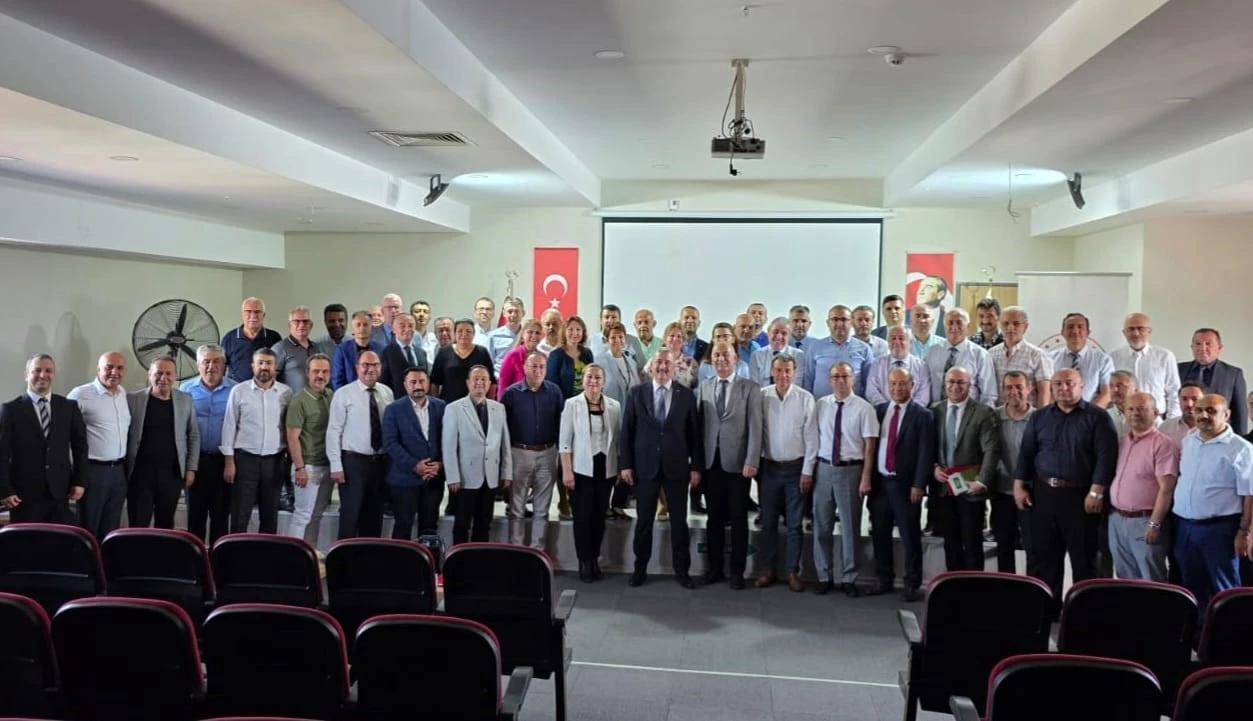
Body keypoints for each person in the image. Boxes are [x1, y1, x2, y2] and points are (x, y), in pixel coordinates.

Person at [1014, 368, 1119, 613]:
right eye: (1058, 384)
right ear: (1052, 387)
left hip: (1081, 497)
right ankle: (1047, 612)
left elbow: (1106, 457)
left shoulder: (1098, 417)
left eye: (1069, 383)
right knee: (1045, 558)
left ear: (1082, 386)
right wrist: (1019, 484)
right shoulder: (1040, 417)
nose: (1063, 388)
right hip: (1044, 494)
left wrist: (1097, 491)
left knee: (1084, 559)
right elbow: (1027, 452)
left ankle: (1082, 615)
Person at [619, 349, 703, 588]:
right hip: (644, 468)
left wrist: (696, 467)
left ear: (674, 367)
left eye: (667, 363)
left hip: (677, 468)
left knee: (679, 522)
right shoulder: (636, 393)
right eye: (658, 362)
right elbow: (627, 432)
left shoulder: (686, 395)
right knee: (644, 522)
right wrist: (626, 465)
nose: (663, 367)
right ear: (650, 366)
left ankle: (682, 571)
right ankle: (639, 569)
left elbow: (695, 435)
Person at [1172, 394, 1253, 616]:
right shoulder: (1189, 440)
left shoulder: (1241, 449)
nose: (1203, 415)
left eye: (1211, 411)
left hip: (1220, 530)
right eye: (1199, 410)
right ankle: (1201, 634)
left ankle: (1231, 635)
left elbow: (1250, 495)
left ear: (1226, 415)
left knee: (1225, 590)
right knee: (1192, 588)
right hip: (1185, 527)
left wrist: (1244, 532)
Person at [697, 342, 763, 589]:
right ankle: (714, 569)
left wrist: (752, 460)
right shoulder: (704, 386)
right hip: (711, 463)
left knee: (738, 518)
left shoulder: (750, 388)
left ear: (736, 358)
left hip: (738, 464)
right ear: (711, 359)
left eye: (726, 354)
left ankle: (737, 572)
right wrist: (697, 464)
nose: (721, 359)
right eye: (717, 354)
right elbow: (700, 427)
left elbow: (756, 428)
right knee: (713, 518)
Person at [809, 362, 877, 596]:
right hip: (824, 469)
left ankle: (849, 577)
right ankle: (823, 575)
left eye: (845, 376)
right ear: (829, 380)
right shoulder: (821, 405)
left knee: (849, 527)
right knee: (822, 525)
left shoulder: (864, 408)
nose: (840, 380)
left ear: (853, 379)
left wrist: (866, 477)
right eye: (836, 376)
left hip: (851, 470)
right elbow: (813, 439)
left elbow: (870, 447)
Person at [869, 368, 935, 601]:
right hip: (880, 484)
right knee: (880, 534)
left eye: (902, 383)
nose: (897, 388)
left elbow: (926, 454)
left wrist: (919, 485)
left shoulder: (923, 415)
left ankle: (911, 583)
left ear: (912, 385)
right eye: (893, 383)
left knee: (910, 536)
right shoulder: (878, 412)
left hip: (906, 486)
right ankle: (883, 578)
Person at [0, 354, 88, 523]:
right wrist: (5, 490)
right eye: (37, 370)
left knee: (59, 538)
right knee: (27, 539)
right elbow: (2, 454)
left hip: (61, 492)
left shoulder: (68, 407)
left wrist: (80, 481)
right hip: (23, 495)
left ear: (54, 375)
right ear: (26, 375)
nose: (43, 375)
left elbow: (80, 446)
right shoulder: (10, 410)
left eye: (48, 371)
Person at [930, 367, 1000, 571]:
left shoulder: (983, 412)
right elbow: (930, 445)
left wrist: (981, 482)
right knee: (950, 542)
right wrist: (934, 467)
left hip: (970, 487)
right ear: (945, 384)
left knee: (972, 543)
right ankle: (953, 584)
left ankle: (973, 586)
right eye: (951, 382)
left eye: (961, 382)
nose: (955, 386)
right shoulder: (936, 410)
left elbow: (991, 450)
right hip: (944, 488)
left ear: (970, 385)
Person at [756, 355, 816, 591]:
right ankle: (768, 570)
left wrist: (807, 471)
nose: (783, 375)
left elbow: (812, 438)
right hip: (769, 469)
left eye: (787, 371)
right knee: (768, 522)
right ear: (772, 372)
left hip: (796, 469)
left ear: (794, 372)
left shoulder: (805, 398)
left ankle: (792, 571)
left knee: (794, 524)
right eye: (779, 370)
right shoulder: (761, 396)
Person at [559, 364, 621, 582]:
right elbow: (564, 442)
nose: (593, 381)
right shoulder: (571, 404)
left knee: (599, 517)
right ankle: (584, 561)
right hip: (581, 468)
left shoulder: (614, 406)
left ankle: (594, 558)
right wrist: (567, 471)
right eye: (589, 377)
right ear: (583, 380)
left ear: (603, 381)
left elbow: (617, 441)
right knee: (583, 517)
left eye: (598, 377)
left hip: (606, 468)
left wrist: (619, 468)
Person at [1107, 392, 1178, 581]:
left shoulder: (1163, 444)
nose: (1135, 413)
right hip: (1117, 519)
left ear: (1155, 412)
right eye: (1131, 409)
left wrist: (1154, 524)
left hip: (1145, 521)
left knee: (1151, 579)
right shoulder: (1123, 441)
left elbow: (1166, 489)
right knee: (1125, 579)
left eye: (1141, 409)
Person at [221, 348, 292, 534]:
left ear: (275, 367)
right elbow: (229, 426)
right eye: (260, 362)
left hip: (275, 461)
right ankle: (236, 550)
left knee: (270, 516)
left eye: (269, 363)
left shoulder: (286, 393)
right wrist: (229, 462)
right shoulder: (239, 391)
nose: (264, 367)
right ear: (253, 366)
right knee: (240, 514)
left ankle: (265, 552)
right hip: (245, 460)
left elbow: (289, 427)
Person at [124, 356, 199, 529]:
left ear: (175, 376)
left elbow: (193, 435)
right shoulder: (133, 399)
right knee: (138, 523)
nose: (163, 378)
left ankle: (161, 549)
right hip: (140, 474)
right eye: (158, 373)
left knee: (165, 525)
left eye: (168, 373)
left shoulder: (185, 399)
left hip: (172, 474)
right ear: (149, 374)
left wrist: (191, 468)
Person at [500, 351, 564, 549]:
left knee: (542, 510)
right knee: (517, 509)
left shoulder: (554, 392)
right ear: (525, 369)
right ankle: (517, 551)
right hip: (519, 453)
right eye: (533, 366)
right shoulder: (511, 394)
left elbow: (561, 423)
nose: (537, 371)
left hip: (547, 453)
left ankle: (537, 552)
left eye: (541, 367)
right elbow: (503, 428)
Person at [327, 350, 393, 539]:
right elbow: (333, 431)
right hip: (353, 463)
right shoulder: (343, 394)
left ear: (381, 368)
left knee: (374, 516)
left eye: (375, 365)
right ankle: (343, 556)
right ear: (357, 368)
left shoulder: (387, 392)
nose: (371, 369)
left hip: (379, 462)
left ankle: (369, 555)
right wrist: (336, 466)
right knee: (350, 515)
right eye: (366, 365)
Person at [443, 366, 512, 543]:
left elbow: (504, 444)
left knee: (484, 523)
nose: (480, 382)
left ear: (489, 383)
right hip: (465, 478)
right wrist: (452, 476)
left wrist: (506, 472)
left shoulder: (499, 408)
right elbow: (449, 446)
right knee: (462, 524)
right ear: (468, 382)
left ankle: (479, 558)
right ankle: (458, 558)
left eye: (484, 379)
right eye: (476, 379)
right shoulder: (454, 408)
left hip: (490, 476)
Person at [68, 352, 130, 539]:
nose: (114, 372)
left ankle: (106, 558)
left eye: (119, 368)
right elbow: (62, 432)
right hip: (93, 471)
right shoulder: (80, 394)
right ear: (98, 369)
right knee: (89, 527)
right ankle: (86, 559)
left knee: (111, 529)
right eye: (109, 367)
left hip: (118, 471)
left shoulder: (122, 393)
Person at [383, 367, 446, 540]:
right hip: (404, 479)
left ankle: (427, 558)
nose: (418, 385)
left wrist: (440, 464)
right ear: (405, 385)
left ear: (428, 383)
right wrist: (415, 466)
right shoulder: (393, 409)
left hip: (433, 478)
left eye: (421, 381)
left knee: (429, 528)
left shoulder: (441, 407)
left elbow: (448, 439)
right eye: (413, 382)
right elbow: (390, 443)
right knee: (403, 525)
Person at [181, 344, 235, 544]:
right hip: (195, 462)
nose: (211, 366)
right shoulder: (185, 389)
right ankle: (195, 559)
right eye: (206, 362)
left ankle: (217, 559)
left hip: (224, 462)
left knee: (220, 516)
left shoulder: (235, 390)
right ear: (198, 365)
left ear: (224, 364)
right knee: (195, 516)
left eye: (216, 361)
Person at [284, 353, 335, 544]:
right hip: (307, 467)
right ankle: (293, 555)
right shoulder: (299, 400)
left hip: (326, 465)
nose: (320, 375)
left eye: (325, 371)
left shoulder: (330, 395)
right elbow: (292, 437)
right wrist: (300, 468)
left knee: (316, 515)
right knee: (302, 515)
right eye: (316, 371)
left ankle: (310, 552)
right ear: (307, 373)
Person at [431, 319, 497, 403]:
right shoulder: (444, 352)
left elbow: (491, 381)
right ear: (454, 334)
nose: (464, 334)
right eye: (460, 331)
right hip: (448, 403)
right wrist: (435, 404)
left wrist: (489, 403)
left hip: (476, 403)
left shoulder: (482, 352)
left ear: (474, 334)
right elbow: (434, 382)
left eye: (468, 331)